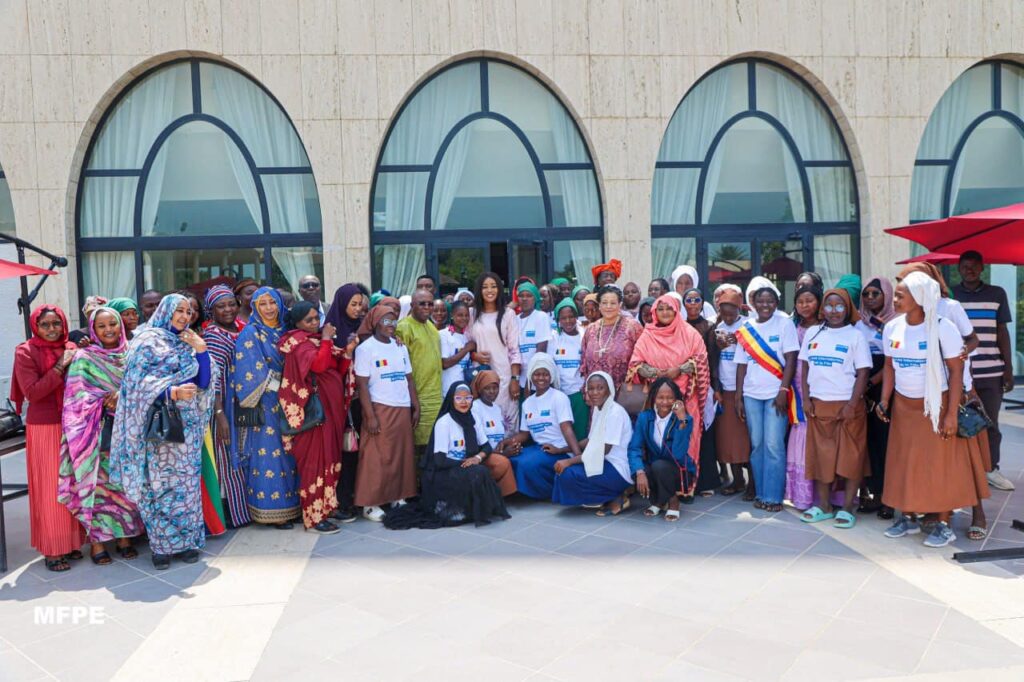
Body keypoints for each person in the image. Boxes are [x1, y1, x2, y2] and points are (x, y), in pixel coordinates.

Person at [877, 272, 990, 548]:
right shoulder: (892, 327)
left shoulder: (943, 327)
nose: (896, 299)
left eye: (902, 295)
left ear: (920, 298)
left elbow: (955, 371)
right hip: (904, 406)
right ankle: (906, 517)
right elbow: (890, 367)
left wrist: (950, 414)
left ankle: (943, 524)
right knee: (904, 462)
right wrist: (884, 400)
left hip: (936, 405)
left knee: (939, 466)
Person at [109, 294, 215, 570]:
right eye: (178, 310)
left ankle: (190, 542)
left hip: (187, 429)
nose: (184, 316)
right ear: (165, 311)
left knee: (187, 486)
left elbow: (203, 382)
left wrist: (202, 350)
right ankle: (161, 546)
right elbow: (135, 386)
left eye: (188, 311)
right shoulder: (147, 341)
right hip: (158, 426)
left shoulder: (189, 341)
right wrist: (171, 391)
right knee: (156, 487)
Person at [58, 307, 144, 564]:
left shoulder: (132, 355)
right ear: (93, 330)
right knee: (100, 487)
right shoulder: (85, 357)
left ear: (120, 326)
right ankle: (97, 543)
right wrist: (102, 402)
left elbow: (143, 387)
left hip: (128, 433)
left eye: (113, 325)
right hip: (95, 434)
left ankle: (125, 537)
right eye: (102, 326)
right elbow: (75, 399)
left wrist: (123, 398)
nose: (109, 330)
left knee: (124, 484)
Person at [11, 306, 84, 571]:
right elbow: (33, 393)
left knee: (72, 484)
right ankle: (53, 549)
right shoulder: (25, 351)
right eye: (45, 324)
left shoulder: (71, 346)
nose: (52, 329)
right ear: (35, 326)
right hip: (45, 426)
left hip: (73, 423)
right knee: (50, 488)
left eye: (56, 323)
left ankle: (72, 542)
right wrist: (60, 365)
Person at [385, 383, 510, 529]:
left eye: (468, 398)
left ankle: (470, 510)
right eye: (459, 398)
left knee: (479, 470)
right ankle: (454, 508)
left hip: (464, 466)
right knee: (478, 472)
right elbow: (439, 460)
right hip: (442, 472)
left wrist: (476, 458)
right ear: (451, 399)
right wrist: (465, 463)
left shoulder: (473, 417)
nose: (464, 402)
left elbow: (486, 446)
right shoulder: (444, 422)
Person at [277, 302, 354, 534]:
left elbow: (335, 370)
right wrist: (329, 338)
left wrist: (347, 352)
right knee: (315, 464)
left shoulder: (317, 340)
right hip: (314, 414)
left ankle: (328, 506)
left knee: (330, 459)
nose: (314, 323)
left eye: (315, 318)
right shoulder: (298, 342)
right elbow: (319, 366)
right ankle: (314, 515)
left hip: (331, 410)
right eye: (309, 320)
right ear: (297, 322)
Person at [799, 288, 872, 529]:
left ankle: (849, 507)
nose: (834, 311)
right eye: (829, 305)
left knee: (851, 459)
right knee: (822, 458)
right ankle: (824, 506)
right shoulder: (812, 332)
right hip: (819, 405)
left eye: (839, 306)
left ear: (848, 308)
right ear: (823, 308)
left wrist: (852, 403)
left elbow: (863, 372)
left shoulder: (855, 336)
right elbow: (805, 368)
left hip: (848, 408)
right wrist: (806, 399)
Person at [628, 293, 710, 499]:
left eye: (669, 308)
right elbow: (635, 365)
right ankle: (663, 488)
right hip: (658, 401)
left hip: (685, 398)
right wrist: (657, 373)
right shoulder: (648, 335)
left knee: (688, 440)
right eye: (660, 309)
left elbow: (699, 361)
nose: (665, 312)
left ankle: (686, 487)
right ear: (654, 312)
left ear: (676, 310)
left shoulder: (689, 333)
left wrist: (678, 370)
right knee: (659, 442)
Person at [233, 287, 299, 528]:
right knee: (271, 454)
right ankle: (273, 511)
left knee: (293, 454)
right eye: (263, 304)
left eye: (273, 302)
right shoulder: (251, 333)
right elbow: (248, 370)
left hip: (293, 401)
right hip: (267, 401)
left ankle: (295, 506)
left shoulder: (288, 330)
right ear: (255, 308)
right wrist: (284, 381)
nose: (269, 308)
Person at [734, 281, 799, 513]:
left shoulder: (785, 324)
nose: (765, 305)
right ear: (753, 303)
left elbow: (791, 359)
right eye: (760, 301)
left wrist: (783, 390)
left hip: (775, 394)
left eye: (769, 301)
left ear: (776, 303)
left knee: (773, 445)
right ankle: (761, 493)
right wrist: (738, 397)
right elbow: (741, 365)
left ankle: (774, 496)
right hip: (751, 395)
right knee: (757, 445)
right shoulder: (746, 328)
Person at [953, 250, 1016, 491]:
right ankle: (963, 470)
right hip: (959, 373)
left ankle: (991, 469)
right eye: (965, 266)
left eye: (974, 266)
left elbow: (1002, 332)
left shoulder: (997, 294)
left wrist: (1007, 369)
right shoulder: (951, 296)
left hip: (991, 371)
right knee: (960, 422)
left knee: (990, 422)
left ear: (982, 268)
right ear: (959, 268)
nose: (969, 270)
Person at [354, 304, 419, 521]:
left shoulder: (400, 347)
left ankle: (398, 496)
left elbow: (409, 378)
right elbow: (362, 385)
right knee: (376, 456)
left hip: (401, 407)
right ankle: (370, 504)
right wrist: (370, 415)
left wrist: (415, 405)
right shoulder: (365, 349)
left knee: (401, 454)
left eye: (394, 321)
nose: (391, 325)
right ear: (375, 322)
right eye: (386, 321)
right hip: (379, 407)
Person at [552, 372, 634, 515]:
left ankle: (616, 495)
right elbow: (591, 441)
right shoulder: (598, 408)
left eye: (600, 388)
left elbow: (603, 450)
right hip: (602, 462)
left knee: (568, 474)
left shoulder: (615, 413)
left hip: (617, 468)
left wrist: (570, 461)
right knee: (564, 473)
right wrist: (562, 450)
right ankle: (604, 496)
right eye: (591, 388)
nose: (594, 392)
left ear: (609, 389)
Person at [201, 284, 250, 528]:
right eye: (221, 306)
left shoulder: (239, 328)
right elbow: (213, 379)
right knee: (228, 459)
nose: (228, 309)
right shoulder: (214, 335)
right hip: (224, 407)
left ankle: (244, 510)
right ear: (211, 310)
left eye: (231, 303)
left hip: (241, 404)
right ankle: (233, 514)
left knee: (240, 456)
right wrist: (219, 416)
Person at [504, 353, 581, 499]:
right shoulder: (527, 403)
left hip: (559, 450)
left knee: (526, 464)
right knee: (512, 460)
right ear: (531, 376)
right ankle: (521, 492)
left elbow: (567, 428)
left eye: (545, 374)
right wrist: (507, 442)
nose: (541, 378)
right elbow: (524, 434)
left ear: (551, 376)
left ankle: (549, 493)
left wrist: (577, 458)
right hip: (540, 449)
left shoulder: (559, 397)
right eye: (537, 374)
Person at [324, 283, 369, 522]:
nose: (358, 309)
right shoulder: (330, 331)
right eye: (353, 304)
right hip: (338, 403)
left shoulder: (363, 329)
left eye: (360, 304)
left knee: (357, 452)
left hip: (361, 401)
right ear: (342, 303)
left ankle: (355, 497)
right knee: (342, 452)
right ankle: (339, 501)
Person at [856, 276, 897, 518]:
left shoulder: (895, 323)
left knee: (886, 443)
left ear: (887, 296)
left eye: (876, 294)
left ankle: (890, 500)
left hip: (885, 388)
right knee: (868, 443)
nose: (870, 298)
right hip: (862, 386)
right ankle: (876, 495)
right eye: (866, 294)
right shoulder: (858, 324)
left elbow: (892, 363)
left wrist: (871, 383)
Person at [628, 377, 696, 521]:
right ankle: (659, 500)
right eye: (661, 397)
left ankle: (673, 501)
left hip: (679, 471)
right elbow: (634, 448)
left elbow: (678, 453)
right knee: (638, 468)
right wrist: (639, 472)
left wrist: (682, 421)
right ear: (653, 398)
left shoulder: (684, 420)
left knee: (659, 466)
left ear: (677, 400)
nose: (665, 402)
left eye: (670, 398)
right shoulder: (644, 418)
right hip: (656, 468)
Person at [784, 284, 822, 511]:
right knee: (800, 435)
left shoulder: (827, 327)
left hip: (818, 387)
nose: (804, 305)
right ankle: (801, 495)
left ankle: (825, 496)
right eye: (800, 302)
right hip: (795, 389)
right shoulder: (790, 327)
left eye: (809, 300)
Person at [467, 272, 521, 431]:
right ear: (479, 290)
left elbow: (514, 349)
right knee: (483, 419)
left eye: (493, 286)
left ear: (499, 289)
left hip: (504, 376)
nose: (489, 290)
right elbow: (466, 343)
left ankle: (510, 452)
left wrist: (514, 379)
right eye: (485, 287)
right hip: (481, 376)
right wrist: (474, 355)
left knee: (507, 420)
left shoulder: (508, 314)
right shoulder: (472, 314)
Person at [712, 288, 752, 498]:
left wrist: (739, 341)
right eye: (724, 312)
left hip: (744, 391)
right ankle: (737, 481)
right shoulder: (717, 327)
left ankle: (752, 483)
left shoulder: (747, 326)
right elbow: (715, 362)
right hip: (725, 390)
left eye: (731, 312)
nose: (728, 317)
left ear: (739, 309)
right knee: (728, 439)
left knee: (746, 439)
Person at [682, 288, 721, 495]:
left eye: (697, 299)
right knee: (686, 433)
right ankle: (686, 479)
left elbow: (713, 360)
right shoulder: (678, 326)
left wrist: (715, 387)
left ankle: (706, 481)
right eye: (689, 300)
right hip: (682, 385)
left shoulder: (709, 327)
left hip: (704, 385)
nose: (693, 303)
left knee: (705, 432)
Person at [396, 288, 443, 451]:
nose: (427, 307)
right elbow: (401, 369)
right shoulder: (403, 328)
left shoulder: (431, 326)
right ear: (412, 305)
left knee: (436, 446)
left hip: (436, 397)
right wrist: (412, 402)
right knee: (419, 449)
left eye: (430, 304)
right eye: (422, 304)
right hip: (418, 399)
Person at [580, 285, 643, 388]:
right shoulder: (591, 329)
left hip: (624, 393)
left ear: (620, 305)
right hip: (596, 394)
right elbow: (584, 362)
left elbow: (642, 358)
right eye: (604, 303)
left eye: (613, 303)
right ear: (599, 305)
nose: (608, 306)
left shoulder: (632, 327)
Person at [468, 369, 518, 496]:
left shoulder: (497, 408)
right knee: (502, 462)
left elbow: (499, 437)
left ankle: (503, 496)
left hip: (496, 452)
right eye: (487, 388)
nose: (492, 392)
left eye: (495, 388)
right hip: (481, 455)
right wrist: (502, 453)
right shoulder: (475, 407)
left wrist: (509, 446)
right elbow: (476, 442)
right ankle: (484, 494)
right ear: (479, 389)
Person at [551, 298, 588, 440]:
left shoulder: (584, 335)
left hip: (579, 394)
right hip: (560, 394)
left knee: (580, 433)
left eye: (571, 317)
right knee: (562, 434)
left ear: (576, 317)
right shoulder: (554, 338)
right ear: (558, 319)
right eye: (563, 318)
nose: (568, 321)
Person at [515, 282, 552, 391]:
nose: (524, 299)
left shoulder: (541, 317)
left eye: (529, 296)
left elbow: (541, 350)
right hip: (519, 379)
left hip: (536, 379)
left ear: (535, 298)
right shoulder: (514, 319)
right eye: (521, 296)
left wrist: (529, 380)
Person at [440, 301, 475, 396]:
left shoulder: (467, 336)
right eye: (460, 315)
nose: (464, 318)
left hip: (465, 389)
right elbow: (445, 363)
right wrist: (466, 349)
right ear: (452, 315)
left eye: (466, 315)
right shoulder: (444, 334)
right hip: (449, 389)